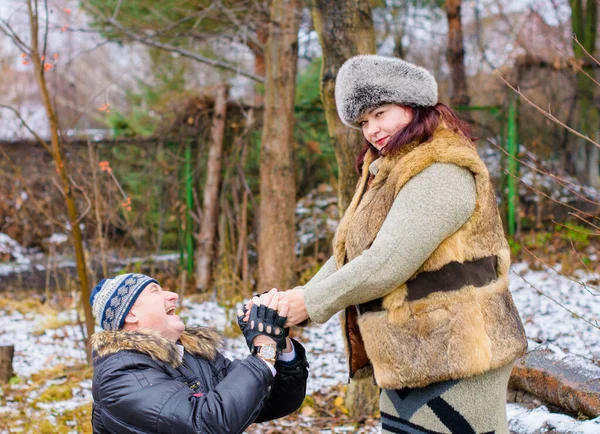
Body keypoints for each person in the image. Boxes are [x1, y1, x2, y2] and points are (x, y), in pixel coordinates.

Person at [280, 55, 527, 433]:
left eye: (380, 113)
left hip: (461, 350)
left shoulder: (442, 168)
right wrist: (296, 299)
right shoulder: (388, 171)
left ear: (413, 105)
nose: (372, 130)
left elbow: (387, 261)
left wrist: (310, 304)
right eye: (363, 121)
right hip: (409, 351)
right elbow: (353, 253)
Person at [89, 273, 308, 434]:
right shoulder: (119, 375)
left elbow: (274, 402)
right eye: (155, 291)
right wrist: (263, 348)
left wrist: (278, 340)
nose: (173, 295)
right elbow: (203, 424)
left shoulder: (193, 356)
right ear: (131, 315)